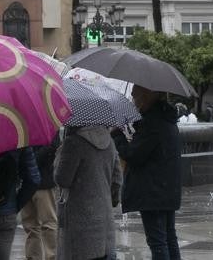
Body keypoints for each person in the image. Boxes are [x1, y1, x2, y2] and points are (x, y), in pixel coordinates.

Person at [111, 85, 182, 260]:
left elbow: (134, 155)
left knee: (158, 242)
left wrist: (117, 135)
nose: (134, 101)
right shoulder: (165, 118)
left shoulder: (153, 123)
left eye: (136, 97)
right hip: (165, 189)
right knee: (169, 238)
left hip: (153, 192)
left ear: (148, 96)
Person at [54, 126, 122, 260]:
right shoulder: (109, 142)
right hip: (104, 220)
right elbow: (117, 179)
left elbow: (62, 180)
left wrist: (58, 158)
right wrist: (112, 199)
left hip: (78, 222)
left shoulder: (73, 143)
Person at [21, 134, 60, 260]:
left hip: (43, 182)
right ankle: (33, 257)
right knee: (30, 226)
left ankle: (52, 257)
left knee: (48, 223)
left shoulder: (47, 120)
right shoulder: (21, 120)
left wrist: (30, 160)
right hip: (25, 183)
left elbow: (53, 146)